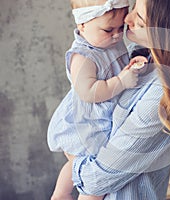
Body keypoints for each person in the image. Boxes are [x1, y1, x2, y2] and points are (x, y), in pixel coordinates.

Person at [66, 0, 170, 199]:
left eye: (140, 20)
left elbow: (94, 180)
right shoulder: (141, 55)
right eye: (133, 7)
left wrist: (71, 153)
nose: (127, 19)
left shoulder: (163, 94)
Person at [47, 0, 148, 199]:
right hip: (87, 121)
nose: (117, 35)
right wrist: (120, 81)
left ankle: (62, 193)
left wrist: (131, 65)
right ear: (82, 25)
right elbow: (89, 92)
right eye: (108, 30)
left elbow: (118, 66)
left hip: (104, 117)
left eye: (121, 28)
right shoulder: (83, 56)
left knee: (80, 165)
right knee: (93, 180)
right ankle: (61, 193)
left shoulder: (110, 42)